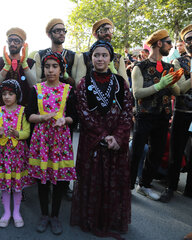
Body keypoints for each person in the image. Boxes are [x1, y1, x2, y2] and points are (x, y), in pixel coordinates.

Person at [70, 40, 133, 238]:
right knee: (93, 180)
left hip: (116, 144)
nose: (100, 59)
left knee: (114, 180)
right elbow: (84, 113)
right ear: (91, 58)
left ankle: (111, 219)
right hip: (92, 142)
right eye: (96, 55)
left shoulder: (120, 82)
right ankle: (92, 219)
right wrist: (105, 136)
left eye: (104, 55)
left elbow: (127, 111)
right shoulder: (83, 83)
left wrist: (118, 137)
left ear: (110, 58)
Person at [25, 52, 77, 235]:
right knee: (42, 180)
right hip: (41, 140)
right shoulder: (36, 89)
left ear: (61, 69)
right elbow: (29, 115)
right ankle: (44, 215)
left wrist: (65, 120)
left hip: (60, 141)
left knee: (60, 180)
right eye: (47, 67)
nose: (51, 70)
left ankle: (55, 216)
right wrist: (42, 117)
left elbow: (74, 117)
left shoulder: (68, 90)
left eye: (55, 66)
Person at [130, 29, 183, 200]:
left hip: (163, 116)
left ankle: (144, 184)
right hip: (144, 116)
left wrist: (173, 82)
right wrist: (159, 86)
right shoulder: (140, 66)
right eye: (169, 43)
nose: (171, 46)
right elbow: (137, 93)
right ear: (159, 43)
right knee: (136, 152)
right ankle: (127, 187)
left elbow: (177, 91)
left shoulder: (170, 66)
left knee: (156, 153)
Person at [0, 80, 33, 228]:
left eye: (11, 93)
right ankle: (6, 212)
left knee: (17, 185)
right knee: (5, 186)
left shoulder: (22, 111)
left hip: (18, 154)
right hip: (2, 155)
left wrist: (17, 133)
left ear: (17, 94)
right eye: (4, 94)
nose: (7, 97)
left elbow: (27, 132)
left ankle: (17, 212)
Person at [160, 24, 192, 202]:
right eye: (188, 39)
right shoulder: (179, 62)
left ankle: (190, 189)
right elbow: (179, 89)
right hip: (182, 110)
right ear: (184, 43)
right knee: (176, 150)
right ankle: (170, 186)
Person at [0, 27, 36, 108]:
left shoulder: (30, 62)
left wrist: (25, 65)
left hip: (23, 109)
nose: (12, 43)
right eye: (10, 40)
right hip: (1, 109)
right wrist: (6, 67)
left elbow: (34, 85)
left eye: (16, 41)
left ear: (23, 43)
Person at [75, 18, 128, 85]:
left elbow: (126, 85)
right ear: (95, 34)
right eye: (104, 30)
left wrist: (114, 72)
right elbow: (78, 84)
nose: (108, 33)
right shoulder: (85, 57)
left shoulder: (118, 58)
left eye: (110, 30)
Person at [34, 18, 77, 85]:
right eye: (58, 31)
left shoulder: (73, 56)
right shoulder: (40, 55)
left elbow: (76, 84)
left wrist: (66, 76)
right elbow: (36, 82)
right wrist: (51, 76)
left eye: (63, 31)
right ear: (49, 35)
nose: (62, 33)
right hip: (45, 94)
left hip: (67, 94)